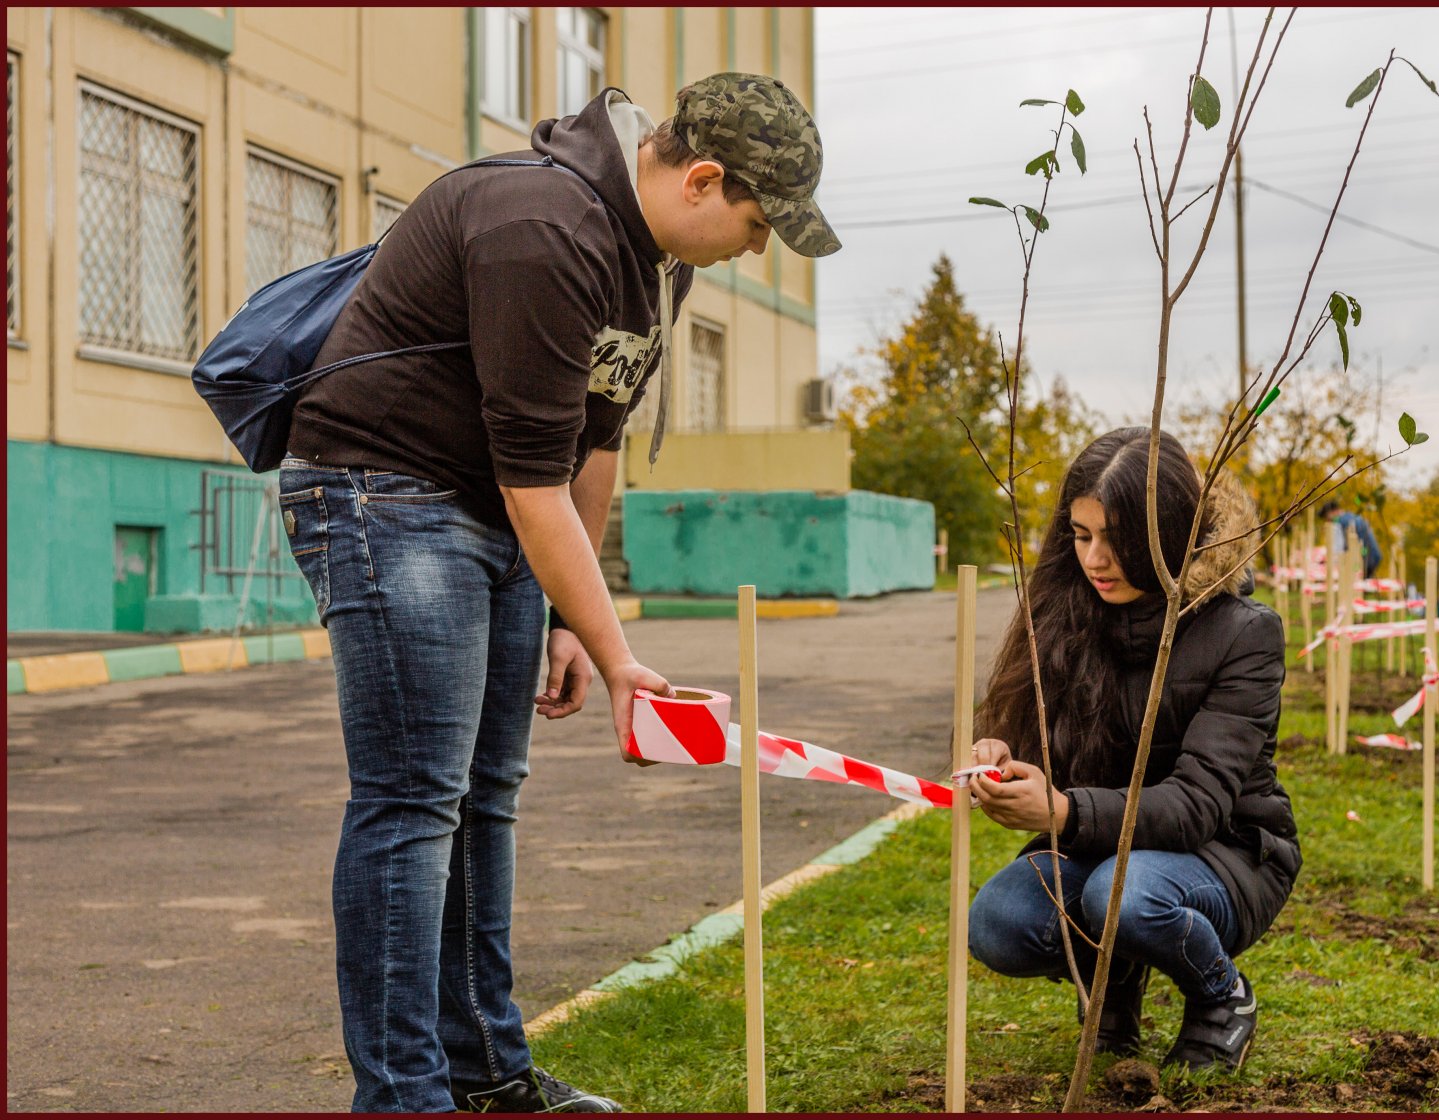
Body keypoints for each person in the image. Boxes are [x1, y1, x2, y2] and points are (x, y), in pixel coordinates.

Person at [280, 74, 839, 1113]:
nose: (757, 250)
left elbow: (595, 443)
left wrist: (577, 622)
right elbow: (534, 479)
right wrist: (622, 652)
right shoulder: (544, 227)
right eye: (758, 225)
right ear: (704, 178)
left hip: (490, 506)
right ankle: (404, 1095)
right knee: (413, 800)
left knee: (485, 795)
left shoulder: (656, 262)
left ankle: (485, 1073)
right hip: (382, 490)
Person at [965, 426, 1298, 1073]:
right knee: (998, 923)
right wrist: (1006, 754)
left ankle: (1221, 996)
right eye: (1082, 535)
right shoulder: (1071, 609)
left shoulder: (1245, 633)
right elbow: (1049, 746)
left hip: (1228, 853)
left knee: (1128, 894)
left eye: (1115, 538)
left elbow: (1197, 804)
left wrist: (1061, 813)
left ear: (1168, 527)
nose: (1095, 558)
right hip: (1104, 850)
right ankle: (1113, 976)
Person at [1320, 497, 1382, 580]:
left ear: (1333, 512)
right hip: (1372, 558)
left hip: (1362, 561)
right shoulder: (1353, 517)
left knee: (1354, 586)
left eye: (1327, 517)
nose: (1327, 521)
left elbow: (1340, 548)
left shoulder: (1341, 523)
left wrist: (1329, 559)